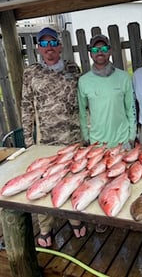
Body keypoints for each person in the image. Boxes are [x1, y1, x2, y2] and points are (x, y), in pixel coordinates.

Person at [21, 27, 86, 247]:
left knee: (72, 181)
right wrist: (29, 143)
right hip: (46, 141)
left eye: (53, 43)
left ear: (59, 45)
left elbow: (82, 101)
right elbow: (26, 107)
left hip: (73, 138)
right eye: (44, 44)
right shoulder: (31, 72)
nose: (49, 49)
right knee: (43, 183)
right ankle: (45, 227)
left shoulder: (72, 68)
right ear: (39, 48)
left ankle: (75, 219)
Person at [78, 33, 137, 149]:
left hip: (122, 141)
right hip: (97, 144)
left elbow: (131, 109)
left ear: (109, 51)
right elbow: (82, 113)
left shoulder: (124, 77)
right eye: (95, 49)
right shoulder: (83, 81)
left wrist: (132, 136)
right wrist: (86, 137)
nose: (100, 52)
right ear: (91, 54)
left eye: (104, 49)